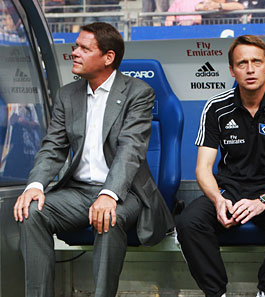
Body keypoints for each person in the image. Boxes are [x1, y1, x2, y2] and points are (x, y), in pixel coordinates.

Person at [13, 22, 173, 297]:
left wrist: (109, 193)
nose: (74, 52)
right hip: (78, 191)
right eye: (76, 46)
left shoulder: (138, 92)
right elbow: (53, 147)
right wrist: (35, 185)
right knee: (32, 212)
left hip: (126, 192)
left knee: (108, 217)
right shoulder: (68, 94)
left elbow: (130, 149)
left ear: (108, 58)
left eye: (84, 48)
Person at [177, 35, 265, 297]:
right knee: (189, 223)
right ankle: (216, 293)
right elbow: (203, 168)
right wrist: (217, 199)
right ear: (231, 70)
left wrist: (262, 201)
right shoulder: (215, 108)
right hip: (229, 191)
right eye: (242, 63)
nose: (250, 69)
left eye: (256, 62)